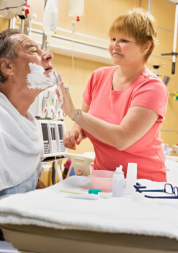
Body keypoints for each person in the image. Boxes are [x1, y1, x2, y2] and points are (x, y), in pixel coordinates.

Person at [56, 8, 168, 182]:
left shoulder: (152, 87)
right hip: (103, 177)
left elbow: (122, 139)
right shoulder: (99, 76)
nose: (115, 46)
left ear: (146, 46)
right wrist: (76, 130)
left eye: (123, 40)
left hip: (142, 184)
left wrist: (74, 114)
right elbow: (85, 122)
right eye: (113, 39)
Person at [0, 29, 54, 197]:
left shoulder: (30, 126)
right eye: (33, 51)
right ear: (7, 66)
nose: (48, 55)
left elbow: (29, 183)